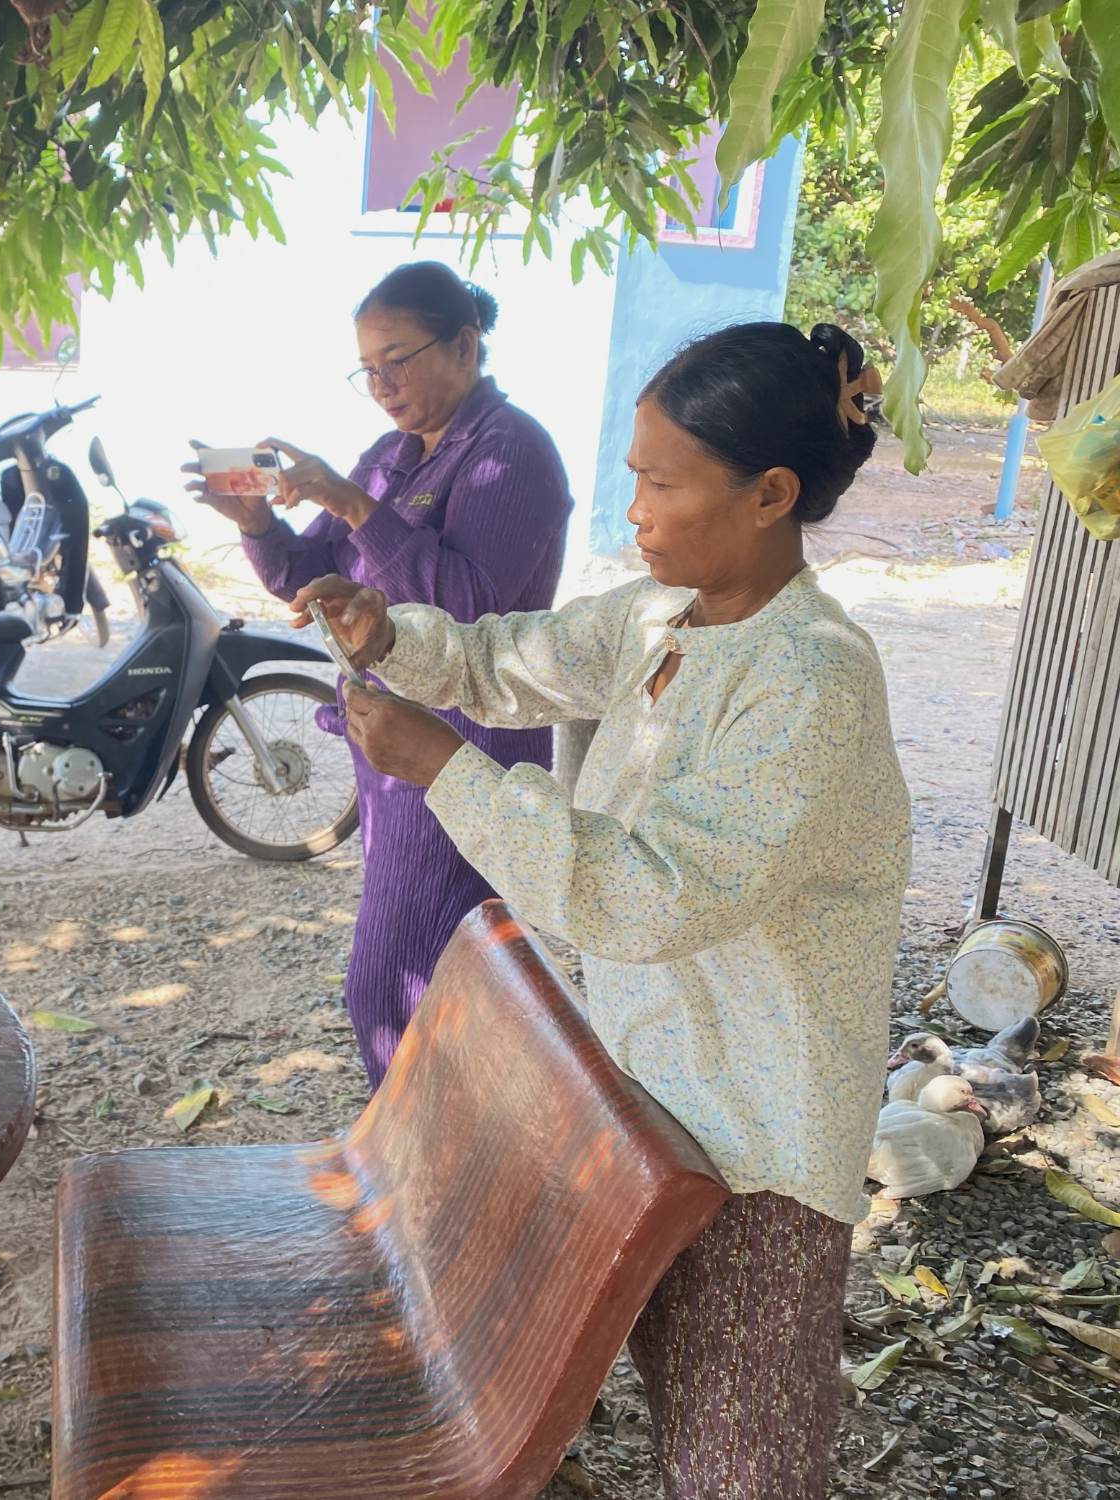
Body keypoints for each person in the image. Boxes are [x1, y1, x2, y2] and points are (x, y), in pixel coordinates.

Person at [298, 322, 907, 1500]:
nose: (632, 507)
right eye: (632, 476)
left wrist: (445, 771)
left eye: (659, 482)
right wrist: (391, 637)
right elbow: (509, 658)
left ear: (769, 493)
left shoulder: (811, 677)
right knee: (683, 1404)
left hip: (756, 1143)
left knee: (740, 1462)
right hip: (652, 1098)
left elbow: (641, 897)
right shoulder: (659, 618)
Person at [189, 261, 571, 1090]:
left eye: (397, 358)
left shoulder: (513, 451)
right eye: (366, 366)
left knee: (389, 986)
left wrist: (356, 504)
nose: (380, 383)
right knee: (441, 975)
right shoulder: (392, 454)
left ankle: (415, 1159)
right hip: (392, 750)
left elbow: (474, 606)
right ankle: (447, 1160)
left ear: (465, 345)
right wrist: (259, 523)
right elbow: (311, 576)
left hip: (463, 747)